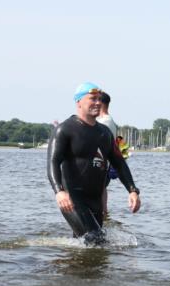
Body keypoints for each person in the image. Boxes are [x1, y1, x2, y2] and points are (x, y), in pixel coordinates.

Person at [48, 82, 140, 245]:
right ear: (79, 102)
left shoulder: (104, 133)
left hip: (95, 199)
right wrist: (59, 192)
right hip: (72, 199)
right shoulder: (65, 130)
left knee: (86, 243)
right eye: (92, 99)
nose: (98, 102)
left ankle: (71, 266)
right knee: (96, 240)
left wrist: (132, 191)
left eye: (99, 99)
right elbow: (53, 162)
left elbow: (119, 163)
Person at [96, 91, 119, 218]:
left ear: (102, 103)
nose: (94, 103)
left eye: (96, 100)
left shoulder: (105, 122)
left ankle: (103, 213)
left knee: (100, 189)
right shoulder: (106, 120)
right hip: (104, 163)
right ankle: (104, 214)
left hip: (102, 163)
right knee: (102, 188)